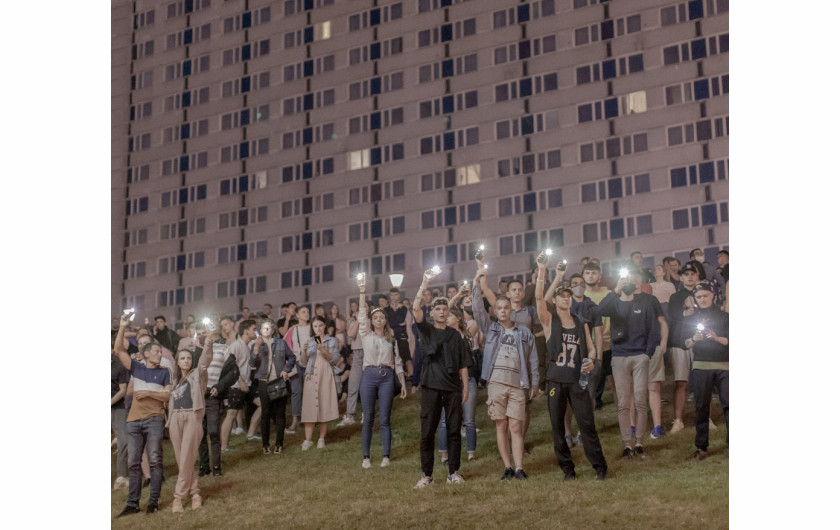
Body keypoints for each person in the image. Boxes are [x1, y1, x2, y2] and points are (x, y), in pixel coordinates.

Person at [535, 252, 608, 480]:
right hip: (556, 380)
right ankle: (568, 470)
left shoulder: (580, 323)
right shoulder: (549, 321)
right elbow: (539, 299)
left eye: (568, 296)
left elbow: (592, 348)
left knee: (587, 425)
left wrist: (590, 360)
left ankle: (599, 467)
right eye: (561, 296)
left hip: (577, 381)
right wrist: (544, 271)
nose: (566, 298)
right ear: (555, 301)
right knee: (558, 428)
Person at [472, 265, 538, 481]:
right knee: (501, 425)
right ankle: (508, 466)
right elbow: (478, 310)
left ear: (511, 310)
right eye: (498, 308)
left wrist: (534, 383)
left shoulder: (524, 332)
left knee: (516, 426)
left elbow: (533, 358)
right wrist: (476, 284)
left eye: (505, 308)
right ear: (496, 311)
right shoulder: (491, 329)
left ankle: (520, 467)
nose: (502, 311)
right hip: (497, 383)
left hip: (518, 383)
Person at [412, 268, 470, 488]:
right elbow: (415, 307)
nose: (443, 312)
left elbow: (463, 362)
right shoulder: (426, 330)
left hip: (453, 388)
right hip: (430, 388)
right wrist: (425, 282)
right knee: (428, 432)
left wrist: (464, 387)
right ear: (433, 313)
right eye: (438, 309)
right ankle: (426, 475)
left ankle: (453, 472)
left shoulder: (455, 335)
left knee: (454, 431)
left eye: (445, 309)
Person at [595, 268, 660, 459]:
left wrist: (647, 354)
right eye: (625, 279)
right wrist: (615, 290)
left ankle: (639, 443)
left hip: (640, 356)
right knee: (623, 403)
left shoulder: (645, 304)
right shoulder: (614, 304)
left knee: (640, 401)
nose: (629, 282)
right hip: (619, 357)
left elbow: (653, 330)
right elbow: (598, 311)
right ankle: (627, 445)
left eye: (632, 279)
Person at [114, 314, 172, 516]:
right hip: (133, 422)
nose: (160, 354)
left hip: (154, 419)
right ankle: (132, 504)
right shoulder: (136, 367)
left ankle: (153, 502)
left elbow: (167, 396)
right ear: (146, 355)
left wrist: (148, 393)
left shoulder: (165, 371)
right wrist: (122, 326)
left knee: (155, 460)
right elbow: (119, 350)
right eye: (157, 352)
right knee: (134, 463)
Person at [356, 274, 407, 468]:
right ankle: (366, 457)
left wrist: (402, 383)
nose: (378, 319)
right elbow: (362, 314)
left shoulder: (390, 338)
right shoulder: (366, 335)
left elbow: (398, 362)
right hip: (369, 376)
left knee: (385, 418)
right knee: (368, 417)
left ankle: (386, 455)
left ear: (385, 320)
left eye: (381, 317)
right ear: (372, 320)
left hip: (386, 378)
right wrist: (362, 290)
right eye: (375, 317)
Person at [681, 282, 729, 461]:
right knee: (701, 406)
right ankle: (701, 447)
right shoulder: (691, 318)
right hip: (701, 365)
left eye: (705, 295)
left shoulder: (725, 316)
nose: (702, 299)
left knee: (729, 405)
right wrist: (694, 338)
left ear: (712, 296)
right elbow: (683, 343)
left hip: (725, 365)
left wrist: (716, 338)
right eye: (699, 296)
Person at [167, 339, 214, 513]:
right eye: (183, 358)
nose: (186, 360)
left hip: (192, 417)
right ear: (177, 362)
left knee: (186, 457)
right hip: (175, 419)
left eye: (188, 358)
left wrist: (208, 341)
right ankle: (195, 494)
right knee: (183, 460)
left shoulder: (197, 375)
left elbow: (205, 360)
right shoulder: (175, 380)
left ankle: (178, 498)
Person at [198, 319, 241, 477]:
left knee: (213, 431)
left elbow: (233, 372)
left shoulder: (225, 348)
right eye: (208, 326)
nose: (211, 328)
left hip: (212, 394)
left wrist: (219, 387)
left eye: (214, 325)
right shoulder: (198, 346)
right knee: (199, 433)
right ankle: (204, 467)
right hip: (197, 395)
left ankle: (216, 467)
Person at [438, 299, 479, 463]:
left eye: (449, 315)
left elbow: (479, 319)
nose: (446, 317)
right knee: (444, 420)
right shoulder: (443, 335)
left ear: (458, 317)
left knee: (469, 420)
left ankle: (471, 454)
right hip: (449, 382)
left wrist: (469, 299)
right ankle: (444, 455)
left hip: (468, 381)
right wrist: (455, 298)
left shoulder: (467, 334)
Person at [666, 261, 702, 433]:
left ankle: (705, 418)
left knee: (703, 382)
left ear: (697, 277)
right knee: (681, 382)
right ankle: (678, 420)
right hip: (680, 342)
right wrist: (684, 312)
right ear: (681, 278)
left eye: (692, 274)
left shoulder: (703, 294)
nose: (689, 277)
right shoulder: (675, 296)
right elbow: (672, 315)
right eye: (686, 274)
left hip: (701, 342)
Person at [253, 319, 296, 454]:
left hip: (278, 381)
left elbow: (292, 358)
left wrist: (285, 369)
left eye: (268, 328)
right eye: (263, 328)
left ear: (273, 330)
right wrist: (255, 348)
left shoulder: (281, 343)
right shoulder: (256, 344)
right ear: (260, 330)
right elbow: (252, 364)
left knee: (280, 413)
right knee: (265, 413)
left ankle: (279, 444)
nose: (266, 330)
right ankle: (265, 444)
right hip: (263, 382)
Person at [301, 316, 341, 450]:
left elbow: (334, 359)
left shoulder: (332, 340)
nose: (318, 329)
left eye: (320, 326)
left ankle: (321, 438)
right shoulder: (309, 341)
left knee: (324, 404)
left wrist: (323, 349)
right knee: (309, 406)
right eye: (315, 326)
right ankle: (307, 440)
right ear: (312, 328)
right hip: (311, 374)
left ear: (325, 326)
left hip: (326, 374)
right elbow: (303, 362)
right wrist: (304, 351)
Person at [220, 320, 257, 453]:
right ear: (246, 331)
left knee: (262, 403)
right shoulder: (237, 345)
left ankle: (251, 433)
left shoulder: (246, 346)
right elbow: (229, 363)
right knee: (231, 414)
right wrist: (240, 380)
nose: (256, 332)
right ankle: (224, 446)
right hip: (236, 385)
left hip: (246, 385)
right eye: (254, 329)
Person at [583, 261, 615, 410]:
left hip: (610, 343)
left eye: (594, 273)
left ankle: (622, 412)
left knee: (615, 382)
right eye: (587, 273)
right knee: (590, 384)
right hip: (590, 346)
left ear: (599, 276)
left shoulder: (608, 294)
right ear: (583, 276)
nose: (590, 276)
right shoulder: (580, 296)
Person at [283, 305, 311, 434]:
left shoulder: (312, 328)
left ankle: (310, 419)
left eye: (307, 312)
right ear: (297, 315)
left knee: (310, 392)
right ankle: (295, 420)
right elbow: (286, 346)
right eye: (303, 312)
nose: (306, 313)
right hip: (296, 364)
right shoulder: (292, 330)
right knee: (296, 392)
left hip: (311, 363)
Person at [338, 300, 364, 427]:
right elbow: (351, 334)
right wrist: (358, 320)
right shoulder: (353, 320)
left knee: (368, 386)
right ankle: (350, 415)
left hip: (370, 354)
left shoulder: (372, 320)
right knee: (353, 384)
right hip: (358, 354)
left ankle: (366, 414)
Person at [385, 287, 415, 379]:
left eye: (396, 295)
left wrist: (398, 323)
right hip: (391, 335)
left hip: (402, 334)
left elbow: (405, 322)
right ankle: (398, 376)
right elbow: (388, 323)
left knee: (406, 356)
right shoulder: (386, 310)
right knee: (392, 356)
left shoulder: (403, 308)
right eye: (392, 295)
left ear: (399, 295)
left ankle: (411, 375)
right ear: (390, 296)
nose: (394, 297)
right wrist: (399, 324)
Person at [111, 345, 131, 490]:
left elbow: (123, 390)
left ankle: (122, 476)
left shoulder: (119, 367)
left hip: (117, 407)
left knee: (124, 440)